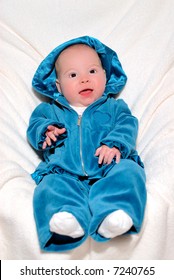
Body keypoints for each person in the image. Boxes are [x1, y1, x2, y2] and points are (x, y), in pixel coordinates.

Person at [27, 36, 146, 252]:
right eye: (73, 75)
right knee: (49, 187)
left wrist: (115, 144)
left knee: (129, 171)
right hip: (64, 171)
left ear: (105, 75)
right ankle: (67, 217)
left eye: (92, 71)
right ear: (59, 86)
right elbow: (35, 127)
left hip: (108, 167)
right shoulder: (49, 111)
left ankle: (115, 212)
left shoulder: (115, 107)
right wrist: (46, 132)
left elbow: (127, 125)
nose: (84, 79)